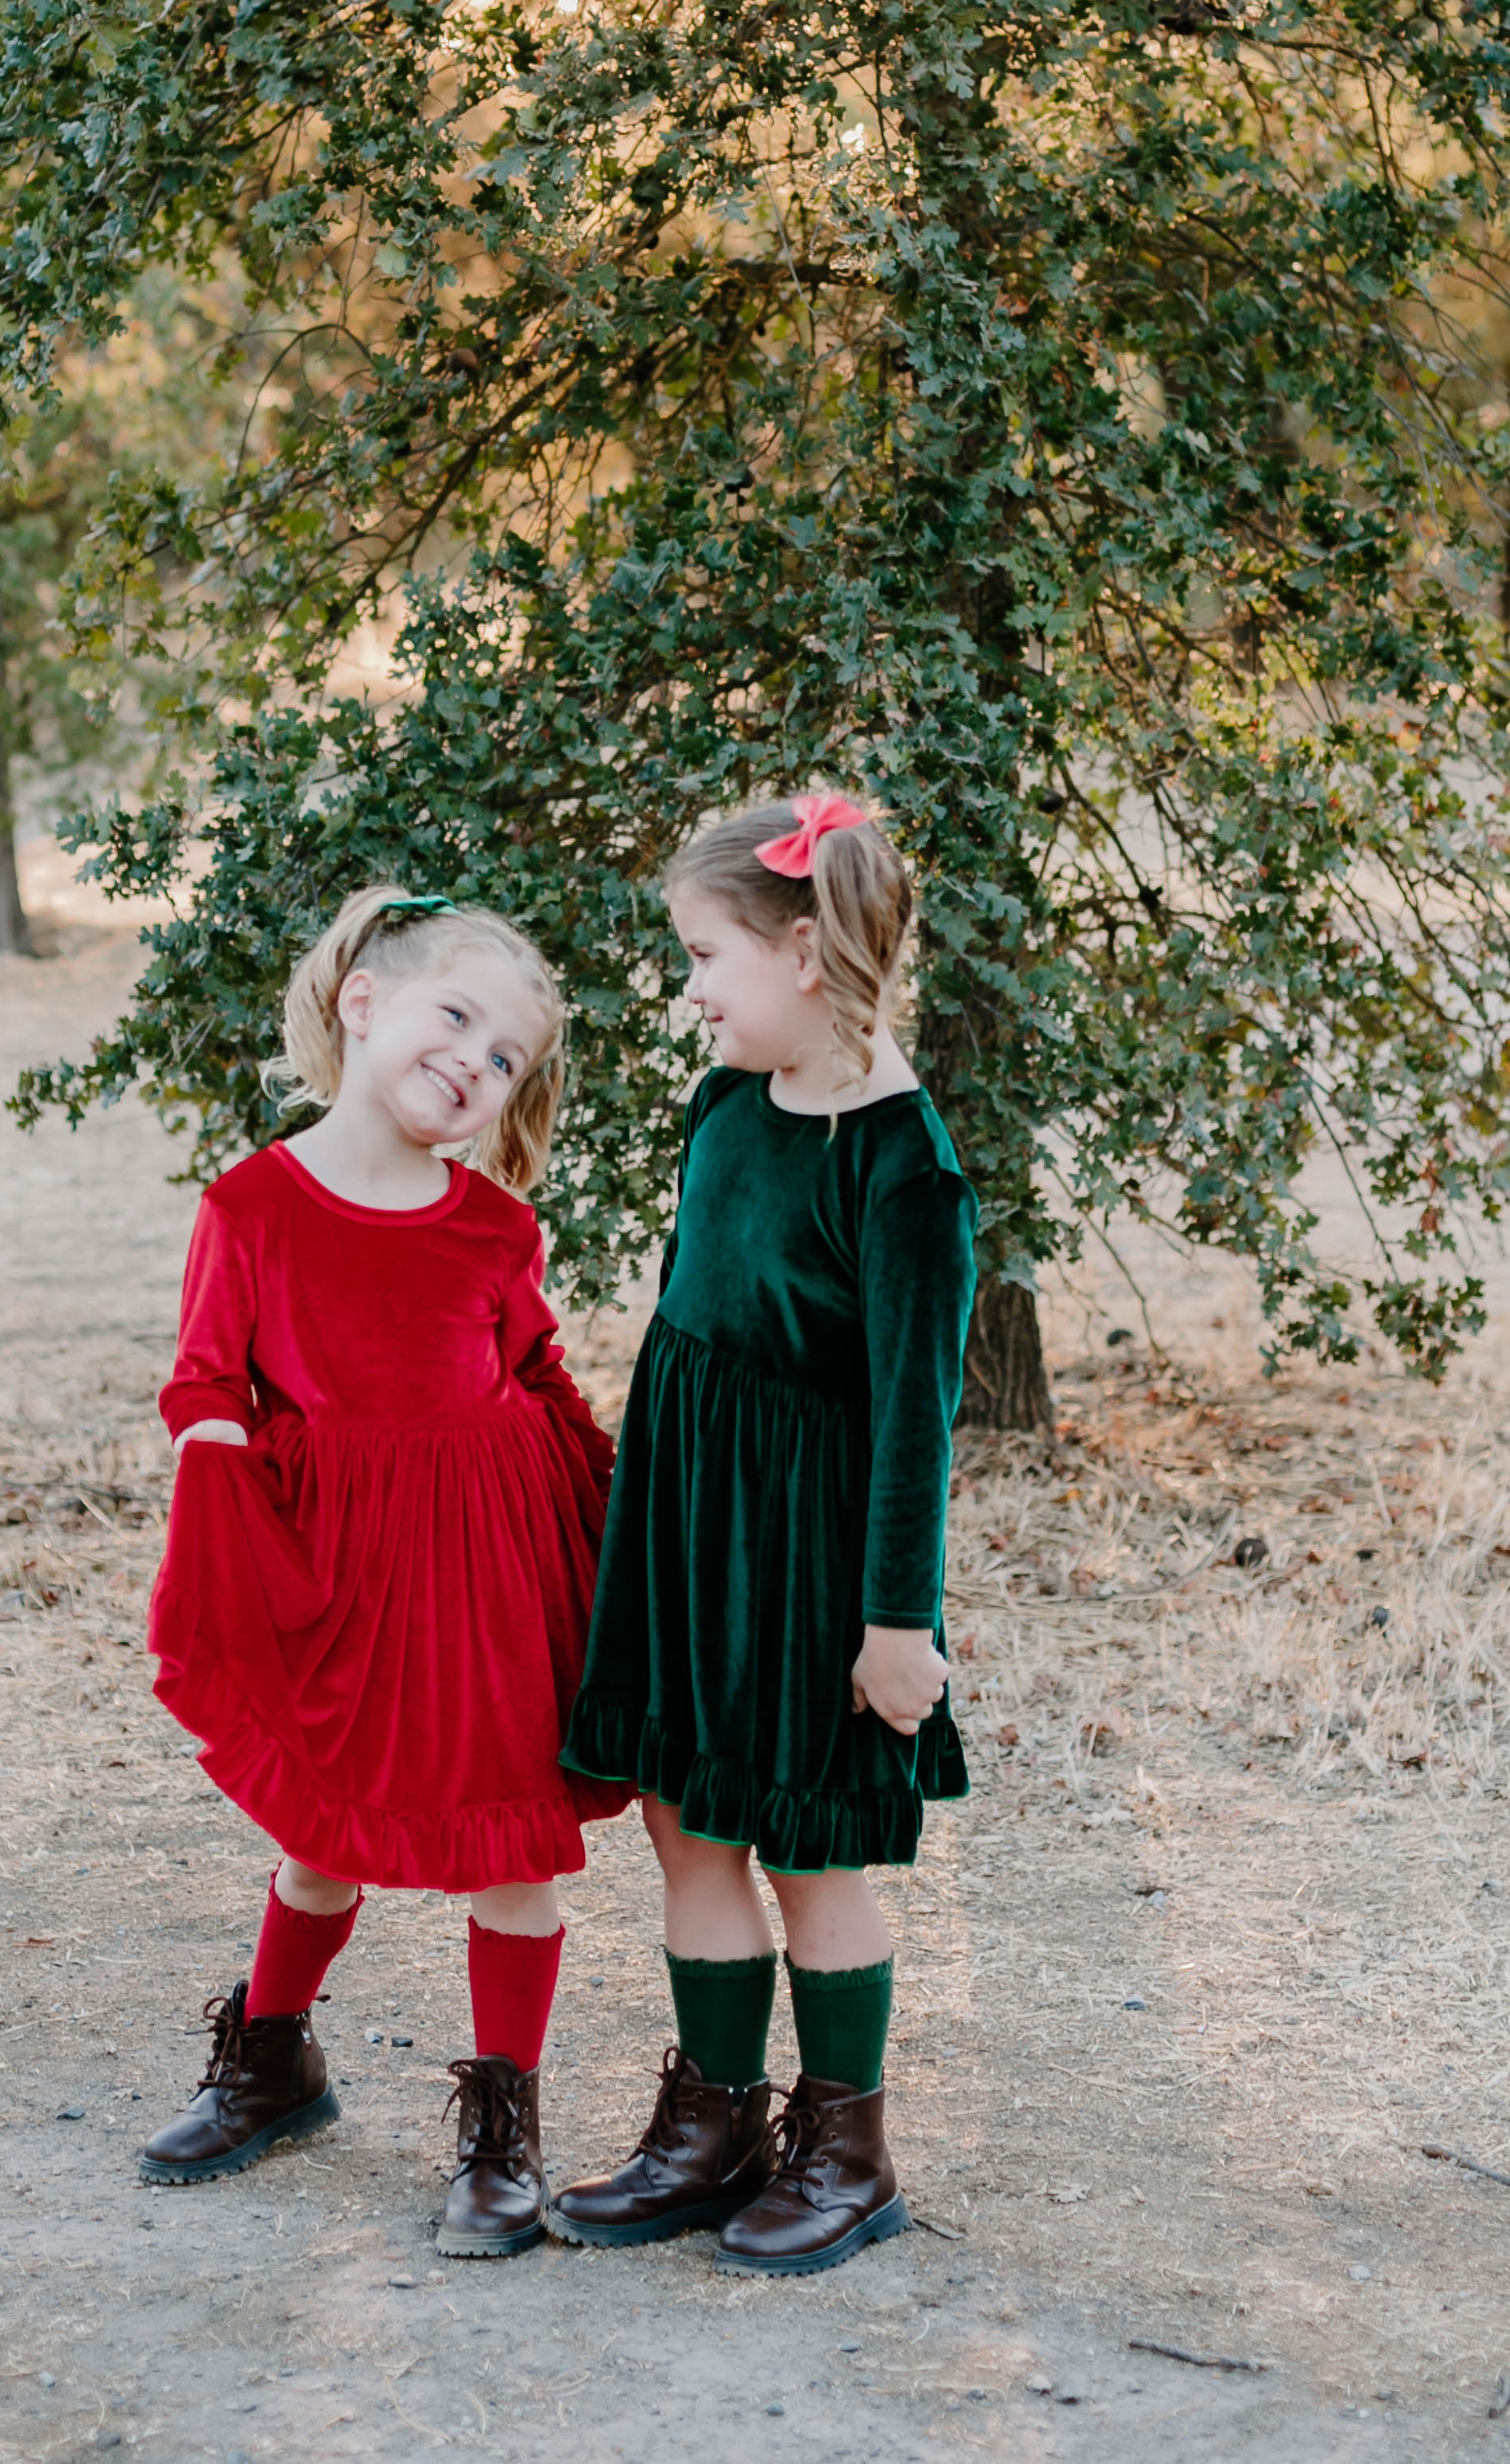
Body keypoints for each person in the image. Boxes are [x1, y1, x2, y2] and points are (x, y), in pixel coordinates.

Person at [136, 886, 625, 2258]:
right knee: (323, 1836)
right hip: (339, 1564)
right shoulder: (251, 1206)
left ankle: (502, 2131)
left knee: (510, 1847)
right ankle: (272, 2061)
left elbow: (535, 1373)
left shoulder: (493, 1228)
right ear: (363, 1003)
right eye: (454, 1017)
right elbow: (204, 1379)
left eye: (506, 1056)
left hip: (493, 1566)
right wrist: (215, 1457)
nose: (474, 1061)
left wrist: (612, 1516)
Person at [553, 794, 977, 2275]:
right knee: (685, 1821)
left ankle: (846, 2156)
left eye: (703, 957)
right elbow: (690, 1320)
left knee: (806, 1856)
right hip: (691, 1525)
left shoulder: (904, 1171)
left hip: (807, 1565)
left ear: (802, 953)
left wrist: (895, 1623)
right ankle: (710, 2131)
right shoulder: (726, 1102)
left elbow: (915, 1425)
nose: (688, 991)